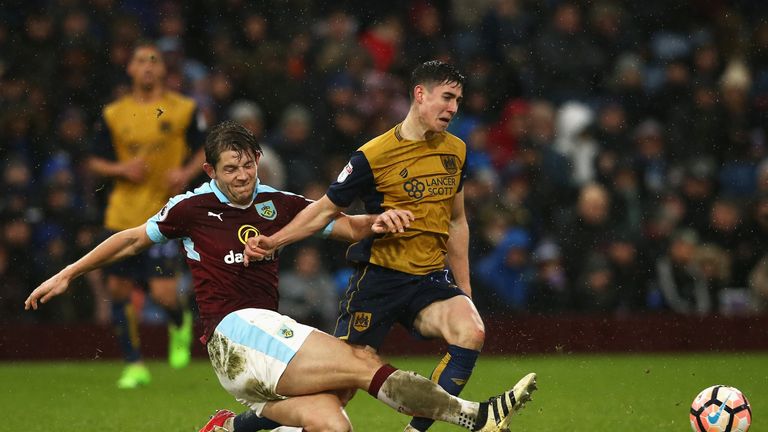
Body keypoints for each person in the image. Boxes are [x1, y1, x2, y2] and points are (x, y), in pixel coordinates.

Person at [24, 120, 538, 432]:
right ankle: (475, 416)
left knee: (332, 420)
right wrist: (69, 273)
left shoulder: (280, 204)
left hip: (254, 351)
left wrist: (378, 221)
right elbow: (134, 237)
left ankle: (237, 426)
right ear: (210, 172)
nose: (243, 176)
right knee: (361, 362)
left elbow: (343, 224)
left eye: (249, 164)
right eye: (231, 168)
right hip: (234, 331)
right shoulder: (193, 207)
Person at [244, 60, 497, 432]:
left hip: (428, 280)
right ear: (419, 94)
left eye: (458, 100)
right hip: (377, 282)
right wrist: (276, 241)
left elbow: (457, 220)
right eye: (446, 97)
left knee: (471, 330)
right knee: (337, 390)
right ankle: (238, 426)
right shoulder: (372, 155)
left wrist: (465, 288)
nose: (453, 108)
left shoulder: (455, 151)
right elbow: (325, 211)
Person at [87, 40, 206, 388]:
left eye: (154, 61)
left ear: (164, 70)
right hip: (122, 213)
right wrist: (120, 168)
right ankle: (134, 364)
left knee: (163, 292)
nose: (148, 67)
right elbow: (93, 160)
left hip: (163, 214)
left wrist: (185, 172)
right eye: (141, 61)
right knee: (120, 289)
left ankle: (179, 320)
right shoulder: (113, 113)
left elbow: (206, 146)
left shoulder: (183, 109)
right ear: (131, 68)